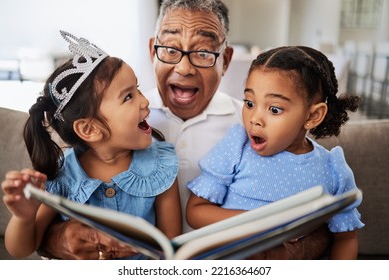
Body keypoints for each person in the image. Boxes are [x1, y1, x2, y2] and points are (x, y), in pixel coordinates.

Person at [38, 0, 331, 260]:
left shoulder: (256, 125)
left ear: (225, 60)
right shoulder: (109, 119)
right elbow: (53, 200)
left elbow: (318, 204)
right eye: (169, 49)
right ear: (152, 50)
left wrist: (295, 249)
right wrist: (55, 239)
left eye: (204, 52)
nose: (185, 68)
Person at [1, 30, 181, 260]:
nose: (145, 101)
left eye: (137, 89)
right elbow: (20, 249)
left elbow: (171, 247)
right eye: (128, 97)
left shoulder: (160, 166)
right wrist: (24, 217)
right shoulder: (63, 175)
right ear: (90, 129)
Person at [186, 45, 365, 259]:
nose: (255, 119)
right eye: (250, 103)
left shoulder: (333, 169)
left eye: (274, 109)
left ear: (313, 116)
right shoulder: (237, 146)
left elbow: (346, 238)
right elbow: (195, 211)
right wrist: (259, 224)